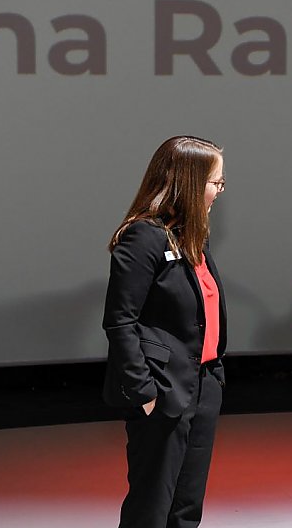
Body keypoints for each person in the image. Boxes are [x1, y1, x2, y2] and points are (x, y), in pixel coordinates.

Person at [102, 135, 228, 528]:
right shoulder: (144, 236)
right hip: (162, 389)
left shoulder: (192, 237)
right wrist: (144, 392)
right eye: (215, 183)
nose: (219, 192)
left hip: (203, 384)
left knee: (186, 508)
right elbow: (120, 321)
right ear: (190, 183)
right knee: (151, 509)